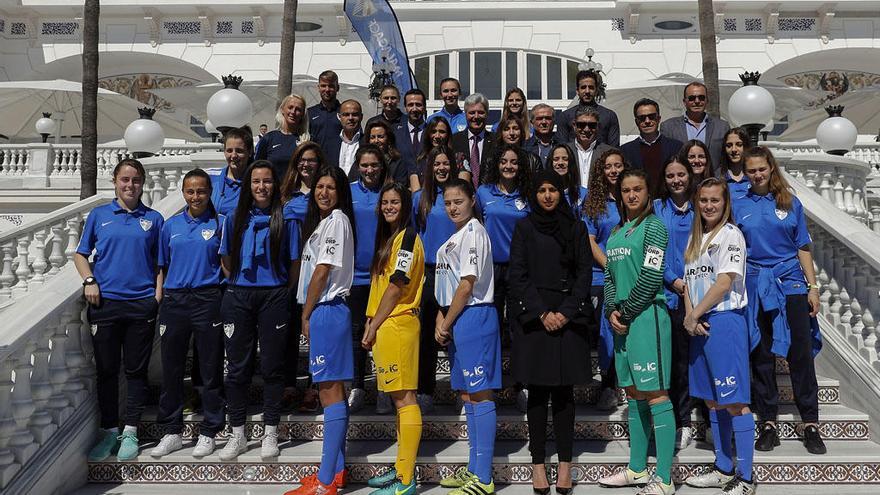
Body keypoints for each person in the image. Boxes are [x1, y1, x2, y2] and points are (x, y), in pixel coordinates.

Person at [734, 147, 825, 455]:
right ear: (745, 172)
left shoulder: (790, 202)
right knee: (761, 354)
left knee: (800, 353)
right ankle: (769, 421)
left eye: (762, 169)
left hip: (791, 283)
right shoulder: (738, 204)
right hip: (756, 284)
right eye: (752, 170)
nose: (757, 174)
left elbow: (803, 247)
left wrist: (812, 287)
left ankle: (810, 423)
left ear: (771, 169)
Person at [508, 169, 593, 495]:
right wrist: (542, 312)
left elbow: (584, 274)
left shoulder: (576, 227)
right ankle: (538, 465)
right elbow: (518, 274)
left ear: (561, 192)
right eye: (541, 189)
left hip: (569, 321)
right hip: (535, 320)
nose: (547, 195)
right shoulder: (524, 228)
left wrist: (564, 313)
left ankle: (567, 466)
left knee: (563, 396)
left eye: (552, 190)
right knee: (538, 394)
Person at [76, 159, 164, 462]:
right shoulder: (99, 215)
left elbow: (159, 262)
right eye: (125, 180)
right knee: (107, 371)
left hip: (141, 305)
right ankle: (109, 431)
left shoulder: (154, 219)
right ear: (115, 181)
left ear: (142, 183)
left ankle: (130, 431)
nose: (130, 185)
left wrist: (156, 294)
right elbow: (81, 255)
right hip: (105, 304)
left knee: (136, 372)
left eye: (136, 180)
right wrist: (89, 280)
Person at [597, 169, 675, 495]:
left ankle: (666, 479)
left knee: (656, 394)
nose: (631, 195)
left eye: (637, 189)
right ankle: (637, 469)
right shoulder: (616, 232)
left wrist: (626, 312)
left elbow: (651, 275)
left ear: (647, 193)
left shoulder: (654, 227)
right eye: (626, 190)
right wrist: (611, 310)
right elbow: (611, 277)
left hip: (647, 320)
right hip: (621, 325)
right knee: (633, 395)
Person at [218, 160, 301, 461]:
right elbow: (226, 259)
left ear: (275, 185)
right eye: (256, 182)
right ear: (248, 186)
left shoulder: (287, 219)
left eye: (267, 181)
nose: (261, 187)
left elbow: (294, 263)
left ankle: (270, 430)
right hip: (239, 295)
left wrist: (280, 290)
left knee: (272, 366)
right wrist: (239, 284)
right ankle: (237, 432)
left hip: (274, 296)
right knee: (237, 367)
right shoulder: (233, 218)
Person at [681, 177, 757, 495]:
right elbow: (688, 282)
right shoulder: (695, 239)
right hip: (698, 324)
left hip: (724, 322)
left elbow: (725, 282)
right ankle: (723, 467)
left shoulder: (731, 235)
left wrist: (695, 314)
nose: (709, 205)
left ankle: (747, 478)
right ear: (697, 203)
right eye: (704, 200)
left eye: (715, 200)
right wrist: (690, 317)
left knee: (736, 401)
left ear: (725, 203)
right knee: (713, 401)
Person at [286, 166, 357, 495]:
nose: (323, 192)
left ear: (340, 192)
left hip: (327, 309)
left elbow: (323, 271)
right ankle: (336, 472)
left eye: (330, 187)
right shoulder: (326, 223)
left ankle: (325, 480)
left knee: (329, 395)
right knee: (333, 392)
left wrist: (306, 311)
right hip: (327, 311)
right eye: (319, 187)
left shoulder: (336, 221)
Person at [150, 169, 225, 460]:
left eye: (201, 191)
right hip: (175, 300)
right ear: (183, 193)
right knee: (171, 368)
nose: (196, 196)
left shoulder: (220, 224)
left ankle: (210, 430)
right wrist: (161, 297)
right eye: (190, 191)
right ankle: (171, 431)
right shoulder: (170, 226)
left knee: (209, 367)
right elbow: (162, 266)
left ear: (210, 193)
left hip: (208, 298)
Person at [435, 178, 501, 495]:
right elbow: (447, 288)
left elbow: (467, 284)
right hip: (458, 317)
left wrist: (445, 323)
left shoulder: (474, 232)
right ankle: (474, 468)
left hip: (474, 315)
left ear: (472, 200)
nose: (453, 207)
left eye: (458, 201)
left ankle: (484, 477)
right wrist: (442, 318)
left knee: (480, 393)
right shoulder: (455, 237)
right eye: (447, 202)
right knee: (466, 396)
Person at [362, 183, 426, 495]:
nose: (389, 207)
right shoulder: (389, 239)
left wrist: (375, 326)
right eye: (385, 202)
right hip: (386, 325)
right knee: (400, 402)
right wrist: (371, 321)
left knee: (405, 399)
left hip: (398, 324)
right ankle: (401, 469)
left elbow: (397, 286)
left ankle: (406, 481)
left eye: (395, 202)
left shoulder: (408, 239)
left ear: (405, 205)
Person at [477, 143, 532, 411]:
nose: (509, 166)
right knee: (491, 327)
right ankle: (491, 383)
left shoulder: (527, 196)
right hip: (490, 269)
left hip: (520, 269)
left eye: (514, 162)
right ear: (496, 165)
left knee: (518, 326)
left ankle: (521, 385)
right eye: (504, 161)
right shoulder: (483, 192)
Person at [653, 156, 700, 449]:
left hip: (699, 296)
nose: (676, 180)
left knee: (692, 361)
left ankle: (694, 419)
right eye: (670, 175)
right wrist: (675, 281)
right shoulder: (657, 209)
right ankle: (677, 420)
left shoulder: (702, 207)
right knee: (671, 363)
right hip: (667, 294)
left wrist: (692, 285)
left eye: (681, 174)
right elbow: (652, 252)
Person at [280, 142, 327, 413]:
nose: (306, 164)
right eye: (302, 160)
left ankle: (313, 386)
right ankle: (288, 385)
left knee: (314, 331)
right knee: (289, 331)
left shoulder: (322, 194)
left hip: (314, 270)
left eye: (311, 160)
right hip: (289, 271)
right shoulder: (286, 194)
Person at [413, 146, 459, 412]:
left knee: (453, 331)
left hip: (454, 272)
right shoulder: (420, 198)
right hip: (428, 272)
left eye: (446, 163)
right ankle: (425, 390)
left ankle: (460, 388)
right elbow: (412, 234)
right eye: (437, 164)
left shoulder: (458, 196)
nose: (441, 168)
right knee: (426, 334)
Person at [582, 149, 627, 411]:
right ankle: (608, 384)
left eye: (618, 165)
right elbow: (589, 241)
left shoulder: (633, 195)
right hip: (603, 275)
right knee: (608, 329)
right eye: (608, 167)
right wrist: (611, 266)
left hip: (632, 276)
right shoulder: (594, 201)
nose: (613, 171)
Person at [347, 145, 389, 414]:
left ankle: (385, 388)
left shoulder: (391, 193)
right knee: (356, 335)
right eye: (365, 165)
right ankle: (357, 386)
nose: (370, 170)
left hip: (383, 276)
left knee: (383, 334)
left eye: (374, 165)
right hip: (355, 276)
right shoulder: (347, 192)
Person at [659, 81, 730, 174]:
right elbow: (665, 160)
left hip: (712, 182)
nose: (697, 101)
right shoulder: (669, 127)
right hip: (682, 184)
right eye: (692, 98)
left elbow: (726, 159)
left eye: (701, 97)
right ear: (684, 102)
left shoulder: (722, 127)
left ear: (707, 101)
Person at [620, 98, 684, 193]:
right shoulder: (626, 150)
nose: (647, 121)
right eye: (642, 118)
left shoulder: (676, 147)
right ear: (636, 122)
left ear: (658, 119)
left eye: (651, 116)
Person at [556, 69, 620, 147]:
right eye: (583, 87)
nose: (587, 91)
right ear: (577, 91)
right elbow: (562, 148)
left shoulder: (609, 116)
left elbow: (614, 149)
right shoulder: (565, 116)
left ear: (596, 90)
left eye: (591, 87)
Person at [255, 94, 309, 180]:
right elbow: (257, 169)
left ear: (302, 114)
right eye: (290, 107)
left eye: (298, 109)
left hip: (297, 192)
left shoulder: (307, 141)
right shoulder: (268, 139)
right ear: (282, 110)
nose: (293, 112)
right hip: (274, 191)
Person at [451, 93, 495, 187]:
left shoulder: (497, 141)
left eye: (481, 112)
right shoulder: (453, 141)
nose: (476, 117)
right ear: (465, 114)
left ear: (487, 114)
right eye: (472, 112)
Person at [211, 127, 253, 216]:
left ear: (250, 152)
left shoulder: (257, 182)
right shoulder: (211, 179)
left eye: (239, 151)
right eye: (229, 150)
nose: (233, 155)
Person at [566, 107, 612, 187]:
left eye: (592, 125)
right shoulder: (564, 151)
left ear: (598, 126)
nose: (586, 129)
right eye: (581, 125)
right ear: (574, 125)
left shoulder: (609, 152)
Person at [366, 120, 416, 188]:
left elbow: (400, 187)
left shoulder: (398, 162)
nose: (376, 141)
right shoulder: (362, 160)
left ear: (388, 139)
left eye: (380, 137)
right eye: (372, 137)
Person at [395, 88, 427, 182]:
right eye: (410, 105)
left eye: (418, 105)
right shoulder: (395, 133)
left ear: (424, 107)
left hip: (426, 187)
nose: (414, 109)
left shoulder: (432, 132)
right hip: (402, 187)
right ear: (405, 107)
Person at [546, 143, 587, 216]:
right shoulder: (545, 194)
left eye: (565, 159)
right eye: (556, 159)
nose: (560, 163)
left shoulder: (583, 194)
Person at [325, 99, 364, 175]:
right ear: (339, 117)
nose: (350, 118)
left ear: (361, 117)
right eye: (346, 114)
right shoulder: (330, 144)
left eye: (355, 114)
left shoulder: (367, 142)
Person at [308, 70, 343, 148]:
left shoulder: (346, 113)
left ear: (337, 88)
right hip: (316, 159)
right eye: (323, 86)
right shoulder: (310, 113)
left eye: (331, 86)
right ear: (318, 88)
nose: (327, 90)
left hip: (340, 160)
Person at [414, 117, 453, 185]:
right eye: (433, 132)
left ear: (448, 134)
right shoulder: (420, 159)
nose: (437, 136)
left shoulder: (456, 157)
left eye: (442, 132)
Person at [720, 127, 752, 198]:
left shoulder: (755, 175)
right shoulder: (717, 177)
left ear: (746, 146)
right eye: (729, 145)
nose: (733, 149)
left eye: (739, 144)